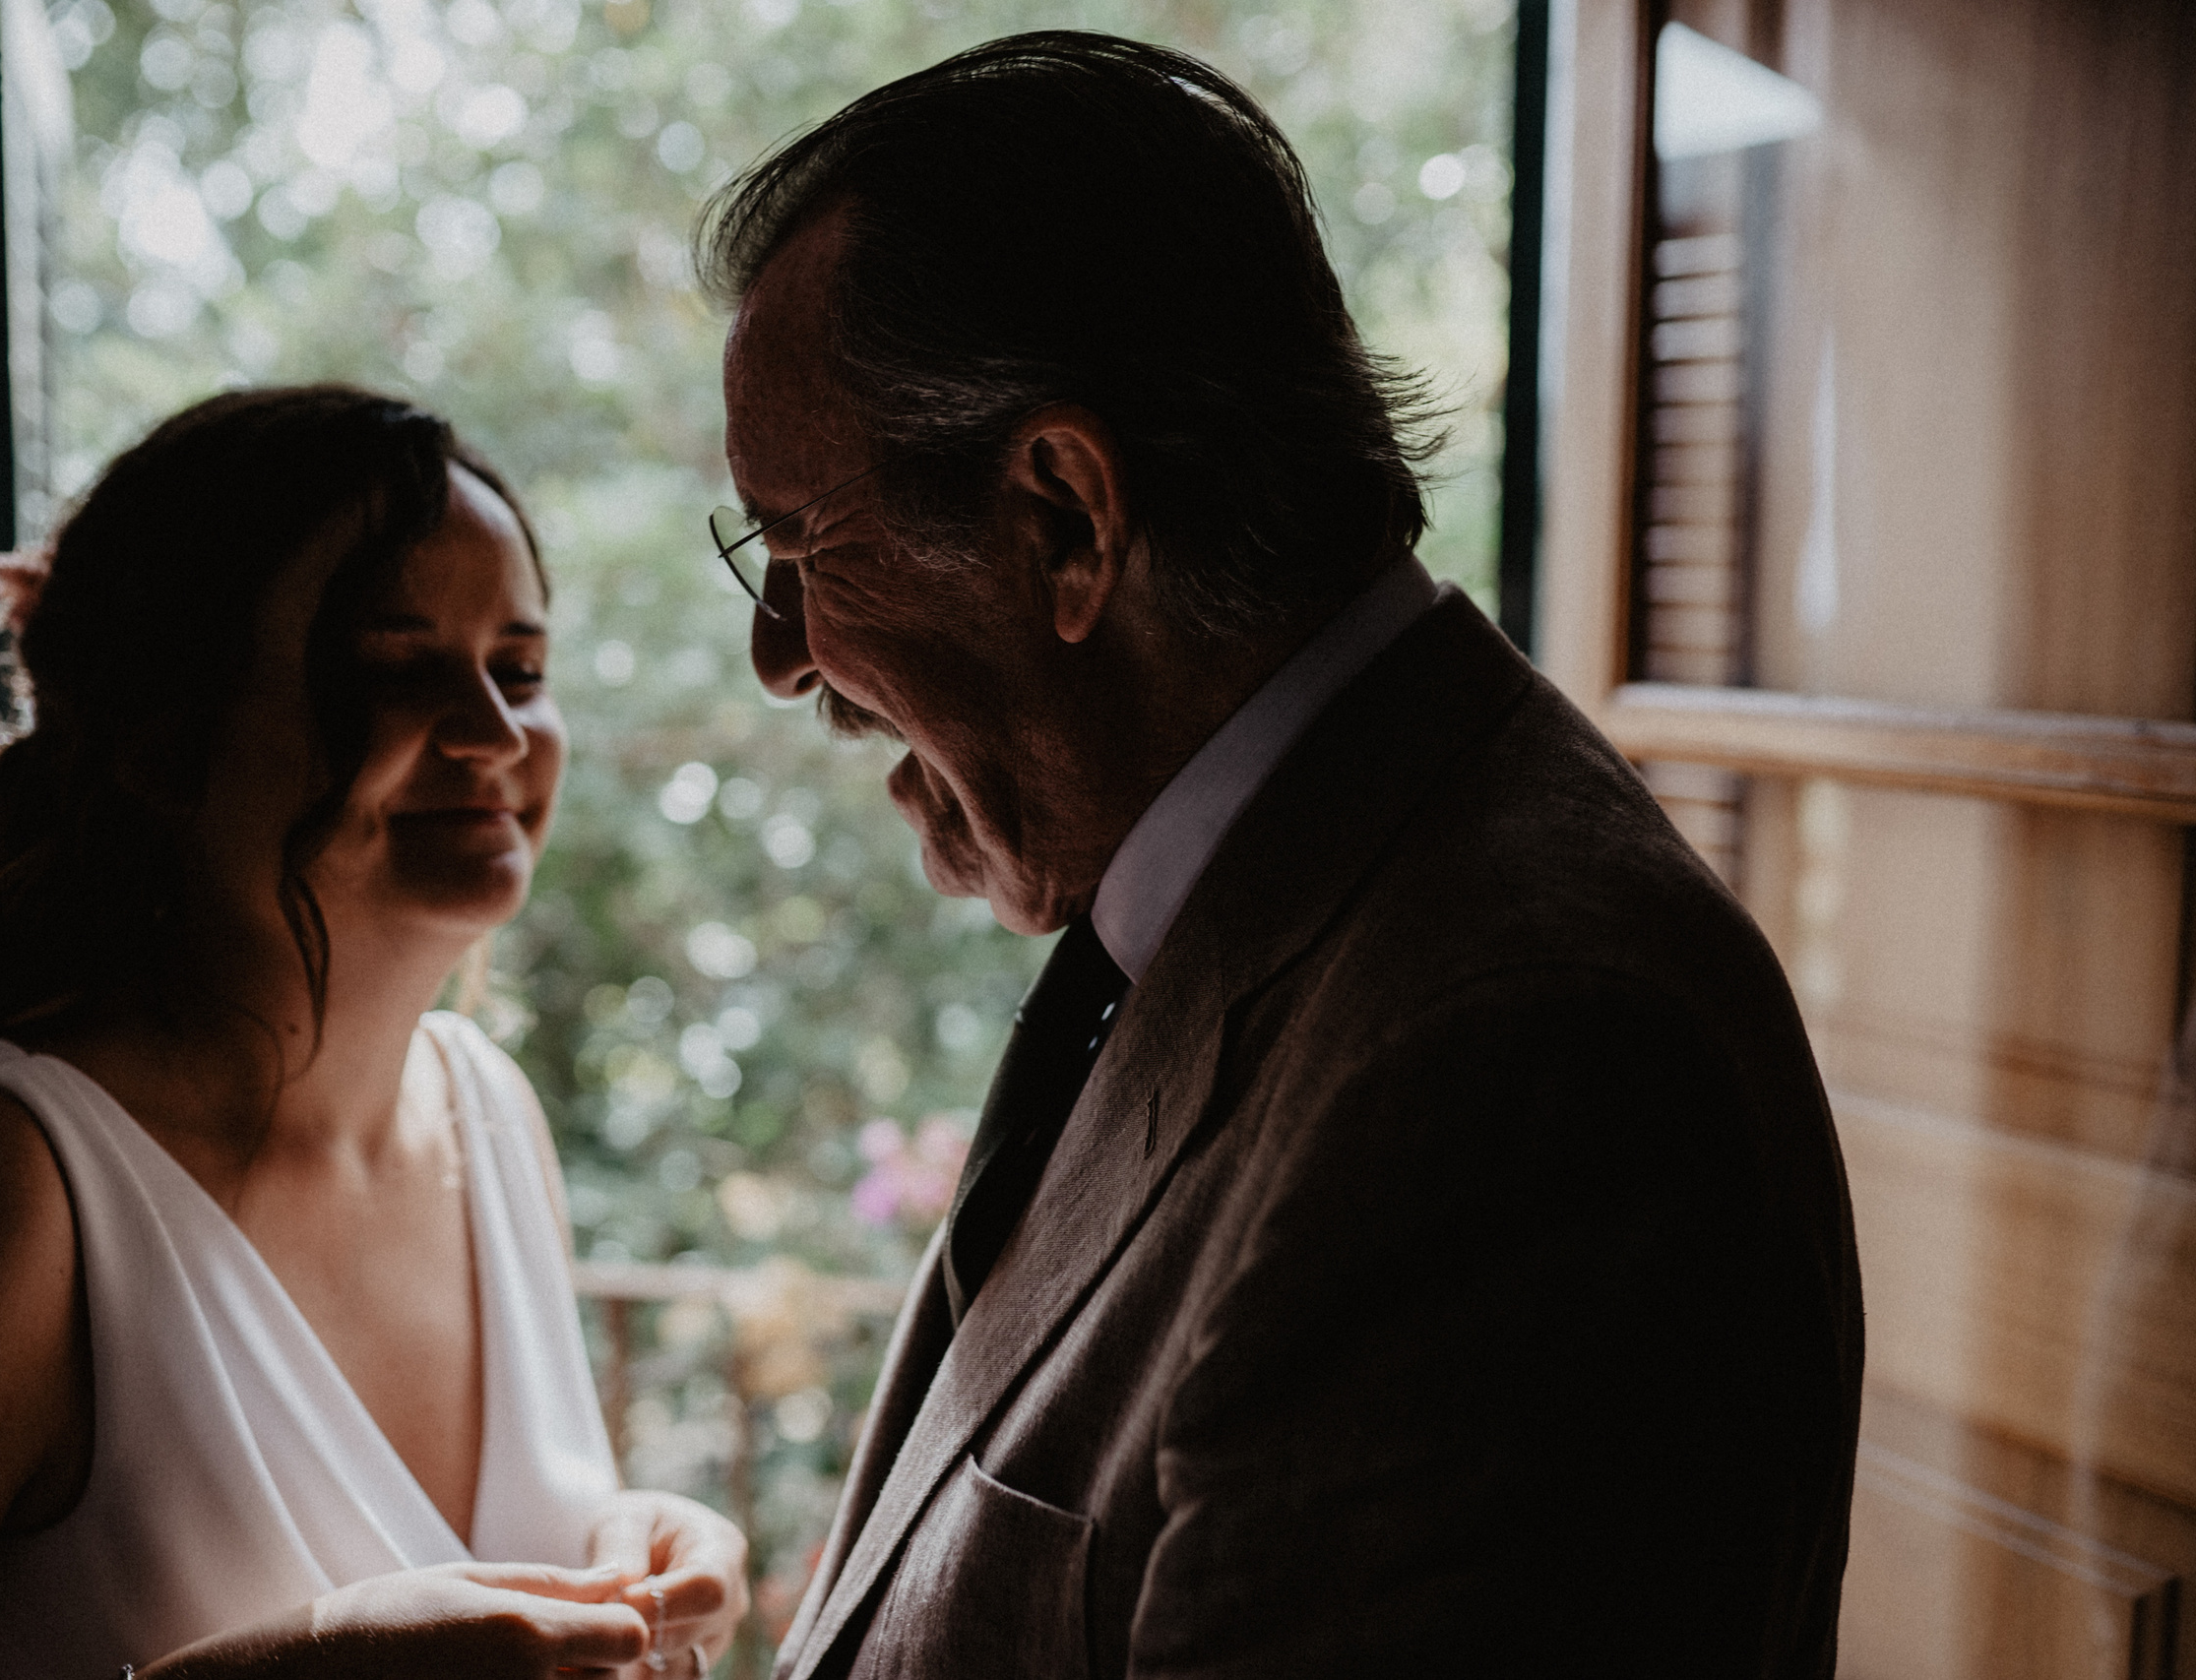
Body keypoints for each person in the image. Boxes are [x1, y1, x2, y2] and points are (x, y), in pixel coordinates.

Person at [699, 33, 1862, 1678]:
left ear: (1066, 518)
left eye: (803, 546)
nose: (778, 655)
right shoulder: (1264, 911)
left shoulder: (1512, 1062)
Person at [0, 387, 746, 1678]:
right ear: (163, 743)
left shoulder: (489, 1113)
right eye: (392, 669)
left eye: (519, 669)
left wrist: (619, 1546)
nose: (494, 732)